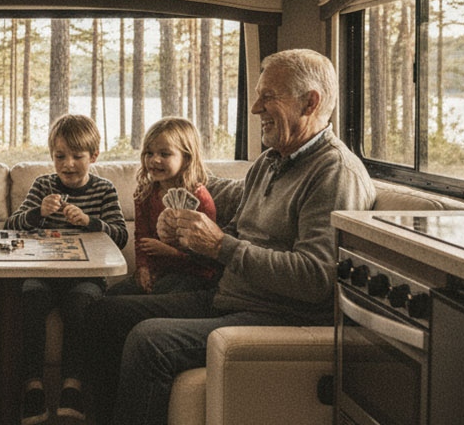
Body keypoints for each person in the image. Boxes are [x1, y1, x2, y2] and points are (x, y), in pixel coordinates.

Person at [85, 49, 377, 425]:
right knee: (102, 314)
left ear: (310, 102)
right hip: (229, 299)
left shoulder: (334, 173)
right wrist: (189, 240)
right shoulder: (271, 163)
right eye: (258, 95)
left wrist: (220, 244)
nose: (256, 107)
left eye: (268, 96)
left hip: (279, 316)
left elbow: (317, 278)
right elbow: (237, 235)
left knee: (149, 341)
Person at [5, 114, 128, 425]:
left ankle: (72, 385)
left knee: (81, 305)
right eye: (60, 156)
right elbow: (10, 226)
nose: (68, 164)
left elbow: (121, 235)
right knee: (30, 297)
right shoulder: (43, 185)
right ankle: (33, 385)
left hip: (85, 276)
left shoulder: (103, 189)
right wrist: (37, 213)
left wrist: (90, 222)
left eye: (77, 156)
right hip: (43, 274)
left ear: (94, 156)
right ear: (52, 156)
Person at [107, 117, 220, 297]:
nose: (154, 160)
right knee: (109, 298)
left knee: (161, 293)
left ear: (187, 158)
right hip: (158, 272)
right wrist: (142, 268)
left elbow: (208, 258)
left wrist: (171, 253)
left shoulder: (199, 197)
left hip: (193, 276)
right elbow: (141, 237)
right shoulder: (144, 192)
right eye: (149, 153)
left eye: (165, 154)